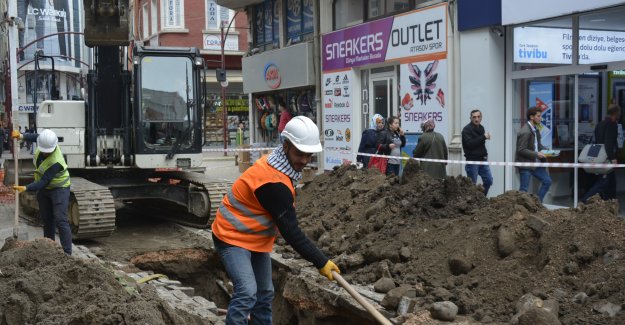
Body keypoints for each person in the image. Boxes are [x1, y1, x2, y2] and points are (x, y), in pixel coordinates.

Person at [211, 116, 340, 324]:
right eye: (300, 154)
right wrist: (321, 262)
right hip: (231, 236)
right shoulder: (273, 184)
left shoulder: (279, 165)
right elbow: (291, 233)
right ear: (286, 145)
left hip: (255, 239)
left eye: (309, 154)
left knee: (264, 293)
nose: (305, 160)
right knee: (247, 292)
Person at [11, 129, 73, 255]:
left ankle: (67, 254)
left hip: (59, 189)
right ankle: (49, 249)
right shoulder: (46, 140)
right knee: (47, 219)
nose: (44, 153)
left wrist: (26, 188)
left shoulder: (56, 162)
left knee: (60, 220)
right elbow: (36, 137)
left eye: (47, 152)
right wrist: (22, 136)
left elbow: (43, 181)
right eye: (43, 151)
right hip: (44, 190)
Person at [581, 104, 621, 203]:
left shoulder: (601, 123)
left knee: (611, 182)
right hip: (606, 157)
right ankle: (585, 200)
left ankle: (611, 203)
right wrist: (612, 158)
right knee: (603, 181)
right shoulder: (612, 124)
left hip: (598, 156)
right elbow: (608, 143)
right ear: (616, 113)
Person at [515, 107, 552, 203]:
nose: (541, 118)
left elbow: (538, 146)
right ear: (531, 117)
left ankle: (537, 203)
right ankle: (519, 210)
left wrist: (548, 151)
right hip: (526, 165)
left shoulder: (535, 129)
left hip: (535, 164)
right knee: (523, 190)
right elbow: (521, 149)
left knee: (547, 181)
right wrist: (536, 154)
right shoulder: (525, 131)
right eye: (538, 116)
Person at [462, 109, 494, 195]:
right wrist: (483, 137)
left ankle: (481, 198)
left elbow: (480, 143)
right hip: (472, 161)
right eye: (474, 117)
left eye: (478, 117)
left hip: (483, 160)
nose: (476, 119)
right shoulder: (466, 130)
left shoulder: (481, 128)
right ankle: (473, 203)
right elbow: (470, 144)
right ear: (470, 118)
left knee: (489, 180)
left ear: (481, 118)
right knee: (472, 185)